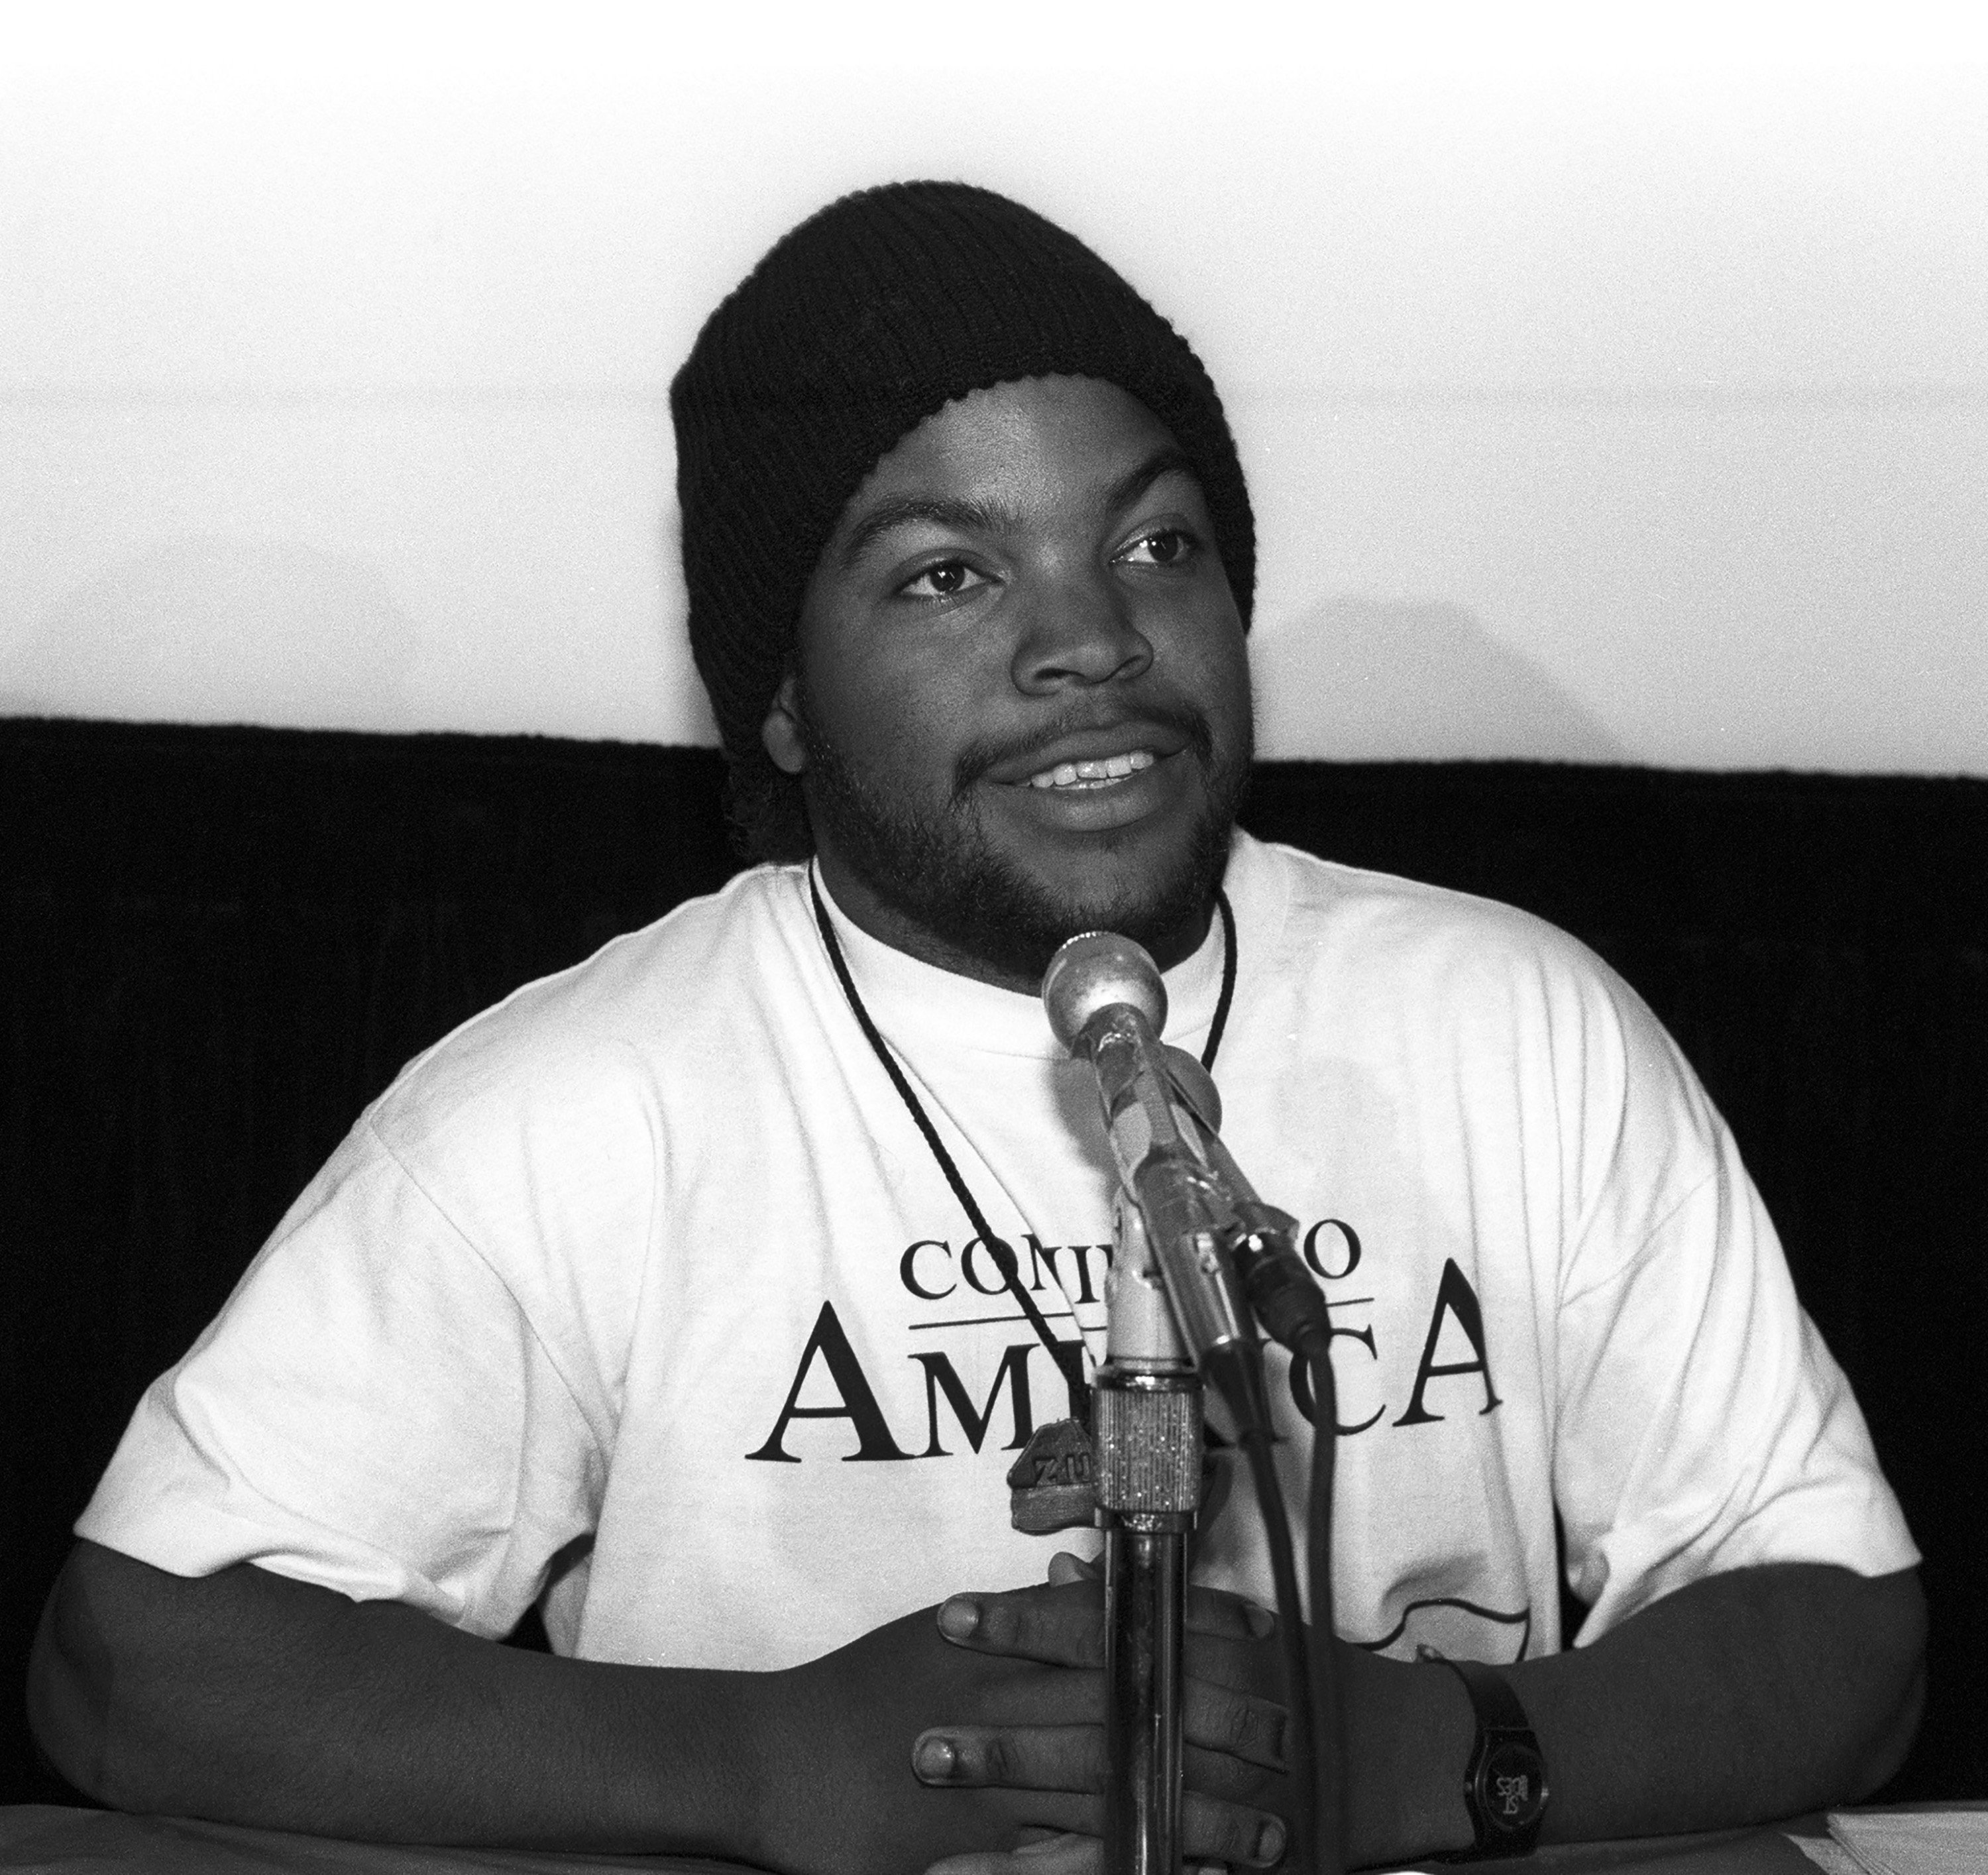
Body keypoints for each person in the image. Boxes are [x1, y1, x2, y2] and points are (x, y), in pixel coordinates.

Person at [28, 181, 1924, 1872]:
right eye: (951, 573)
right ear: (782, 699)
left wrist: (1420, 1758)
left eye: (1157, 545)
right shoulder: (585, 1102)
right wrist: (765, 1762)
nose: (1091, 639)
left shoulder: (1516, 1027)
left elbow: (1839, 1619)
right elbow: (132, 1660)